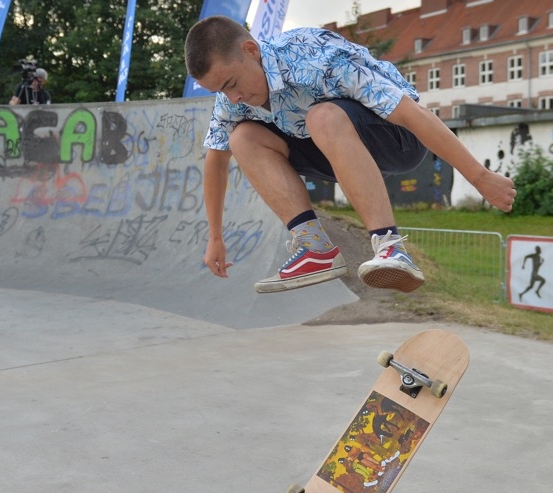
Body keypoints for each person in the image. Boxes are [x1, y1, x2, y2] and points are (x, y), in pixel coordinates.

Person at [184, 17, 516, 294]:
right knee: (242, 137)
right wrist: (215, 237)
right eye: (222, 91)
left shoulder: (313, 54)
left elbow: (410, 113)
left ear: (251, 50)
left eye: (232, 83)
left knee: (322, 116)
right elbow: (215, 160)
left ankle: (390, 246)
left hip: (399, 137)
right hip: (336, 148)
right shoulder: (232, 99)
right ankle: (315, 248)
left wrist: (479, 176)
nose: (235, 96)